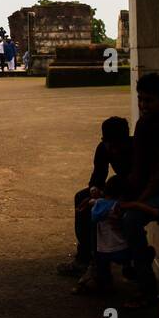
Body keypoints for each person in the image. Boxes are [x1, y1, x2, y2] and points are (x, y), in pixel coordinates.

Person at [105, 72, 159, 308]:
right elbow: (138, 169)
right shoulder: (143, 125)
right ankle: (130, 263)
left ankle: (147, 289)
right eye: (140, 99)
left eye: (149, 100)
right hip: (147, 190)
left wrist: (134, 202)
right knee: (108, 209)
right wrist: (121, 199)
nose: (143, 105)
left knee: (131, 219)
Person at [57, 116, 132, 277]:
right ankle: (85, 254)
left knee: (101, 209)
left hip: (132, 190)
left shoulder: (135, 149)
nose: (113, 149)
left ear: (125, 140)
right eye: (109, 144)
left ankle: (101, 259)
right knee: (82, 198)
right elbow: (98, 175)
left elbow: (136, 180)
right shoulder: (104, 148)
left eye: (116, 145)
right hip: (118, 188)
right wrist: (94, 189)